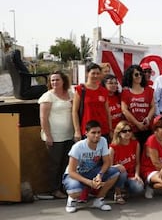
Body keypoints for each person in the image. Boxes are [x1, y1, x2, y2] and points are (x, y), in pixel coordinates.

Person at [62, 120, 119, 213]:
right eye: (93, 133)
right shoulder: (77, 147)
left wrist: (100, 175)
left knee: (115, 172)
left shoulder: (103, 141)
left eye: (99, 132)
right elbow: (71, 172)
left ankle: (99, 200)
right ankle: (71, 200)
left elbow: (106, 162)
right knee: (75, 191)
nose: (97, 135)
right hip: (75, 175)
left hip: (92, 172)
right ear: (86, 133)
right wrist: (89, 182)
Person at [38, 70, 74, 199]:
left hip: (69, 135)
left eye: (57, 79)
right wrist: (48, 135)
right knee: (55, 164)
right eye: (52, 80)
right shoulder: (47, 96)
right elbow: (43, 118)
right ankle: (54, 189)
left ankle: (66, 187)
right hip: (54, 136)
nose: (54, 82)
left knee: (67, 163)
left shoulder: (71, 94)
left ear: (63, 80)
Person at [72, 63, 112, 143]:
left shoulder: (104, 91)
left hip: (103, 129)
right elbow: (74, 111)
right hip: (88, 130)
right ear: (87, 74)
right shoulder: (81, 89)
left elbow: (107, 112)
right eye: (93, 73)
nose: (95, 76)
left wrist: (110, 129)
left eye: (98, 73)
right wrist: (77, 130)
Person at [109, 121, 144, 204]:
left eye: (129, 130)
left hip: (131, 174)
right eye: (124, 131)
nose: (128, 133)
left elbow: (137, 163)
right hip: (118, 175)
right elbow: (109, 167)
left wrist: (137, 175)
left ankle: (125, 191)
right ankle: (117, 194)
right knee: (122, 172)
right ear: (118, 133)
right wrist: (118, 166)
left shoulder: (136, 144)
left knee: (139, 188)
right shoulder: (113, 147)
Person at [121, 65, 155, 150]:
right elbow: (124, 110)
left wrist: (148, 118)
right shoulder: (125, 92)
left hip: (147, 127)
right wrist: (137, 123)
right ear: (130, 76)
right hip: (132, 129)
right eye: (136, 74)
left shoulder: (149, 90)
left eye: (140, 74)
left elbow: (153, 106)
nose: (139, 76)